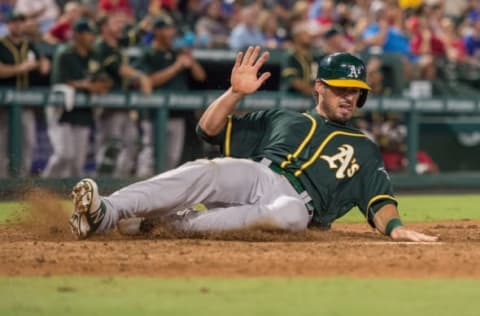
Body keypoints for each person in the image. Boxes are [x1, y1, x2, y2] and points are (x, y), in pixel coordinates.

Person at [69, 46, 439, 243]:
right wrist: (233, 93)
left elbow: (380, 203)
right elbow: (208, 130)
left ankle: (173, 226)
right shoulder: (283, 118)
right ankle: (106, 212)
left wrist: (396, 228)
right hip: (258, 174)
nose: (349, 98)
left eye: (356, 93)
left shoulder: (364, 147)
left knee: (291, 215)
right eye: (342, 89)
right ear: (320, 87)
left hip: (295, 205)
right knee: (208, 170)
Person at [134, 15, 206, 175]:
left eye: (171, 29)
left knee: (172, 158)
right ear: (157, 31)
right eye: (166, 29)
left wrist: (191, 61)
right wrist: (176, 67)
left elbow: (200, 76)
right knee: (150, 155)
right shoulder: (149, 54)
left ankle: (161, 196)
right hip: (153, 114)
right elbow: (149, 81)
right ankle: (138, 191)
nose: (171, 32)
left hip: (177, 113)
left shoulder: (176, 53)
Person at [42, 18, 111, 178]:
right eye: (89, 34)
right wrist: (88, 86)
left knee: (77, 164)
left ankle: (71, 198)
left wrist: (101, 84)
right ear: (78, 35)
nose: (92, 38)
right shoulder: (65, 53)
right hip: (62, 111)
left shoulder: (94, 54)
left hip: (84, 112)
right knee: (64, 154)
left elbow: (104, 79)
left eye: (93, 34)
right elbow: (63, 80)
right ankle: (42, 188)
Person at [94, 12, 152, 177]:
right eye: (116, 22)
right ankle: (101, 183)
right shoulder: (101, 46)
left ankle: (118, 184)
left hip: (122, 103)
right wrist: (141, 76)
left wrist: (143, 25)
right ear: (104, 27)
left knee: (132, 143)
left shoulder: (116, 43)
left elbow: (131, 38)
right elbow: (117, 69)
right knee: (110, 147)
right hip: (108, 102)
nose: (121, 25)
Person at [0, 12, 50, 177]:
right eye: (14, 22)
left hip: (25, 101)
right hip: (4, 103)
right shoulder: (1, 44)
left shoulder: (29, 45)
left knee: (28, 142)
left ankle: (21, 183)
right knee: (4, 143)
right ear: (8, 24)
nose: (18, 25)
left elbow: (43, 63)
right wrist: (20, 68)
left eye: (21, 22)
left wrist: (42, 63)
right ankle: (3, 182)